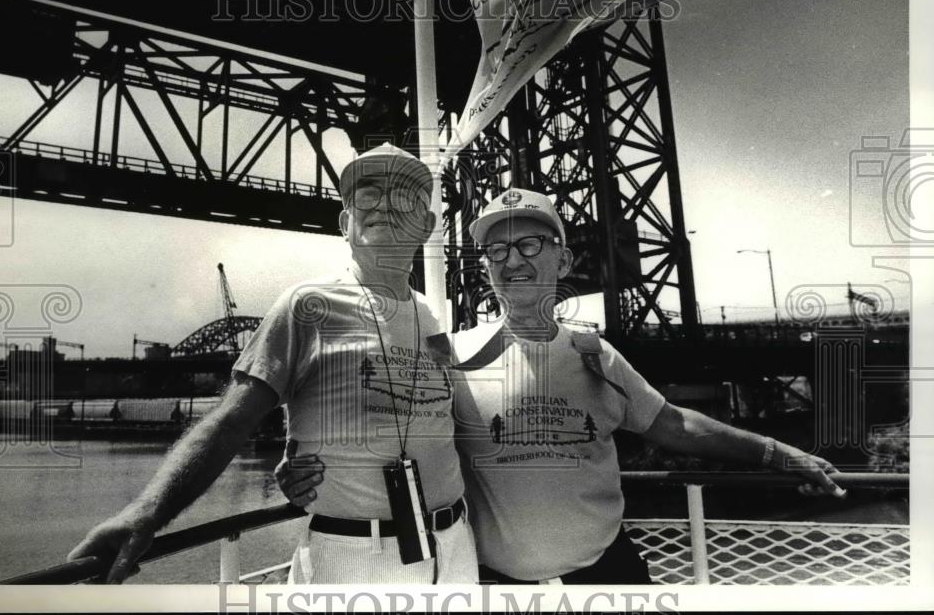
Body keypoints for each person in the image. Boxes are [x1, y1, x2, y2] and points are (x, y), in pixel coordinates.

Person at [279, 187, 845, 585]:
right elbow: (388, 427)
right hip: (498, 588)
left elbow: (673, 422)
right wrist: (300, 459)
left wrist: (778, 451)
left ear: (563, 257)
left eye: (529, 245)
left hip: (607, 578)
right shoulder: (450, 355)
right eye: (496, 251)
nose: (511, 261)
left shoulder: (595, 354)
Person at [68, 144, 478, 584]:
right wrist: (145, 512)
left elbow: (440, 420)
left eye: (402, 196)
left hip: (454, 546)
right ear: (345, 223)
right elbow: (230, 422)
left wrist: (294, 449)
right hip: (358, 557)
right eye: (366, 195)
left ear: (428, 224)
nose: (382, 205)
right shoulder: (307, 305)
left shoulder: (433, 318)